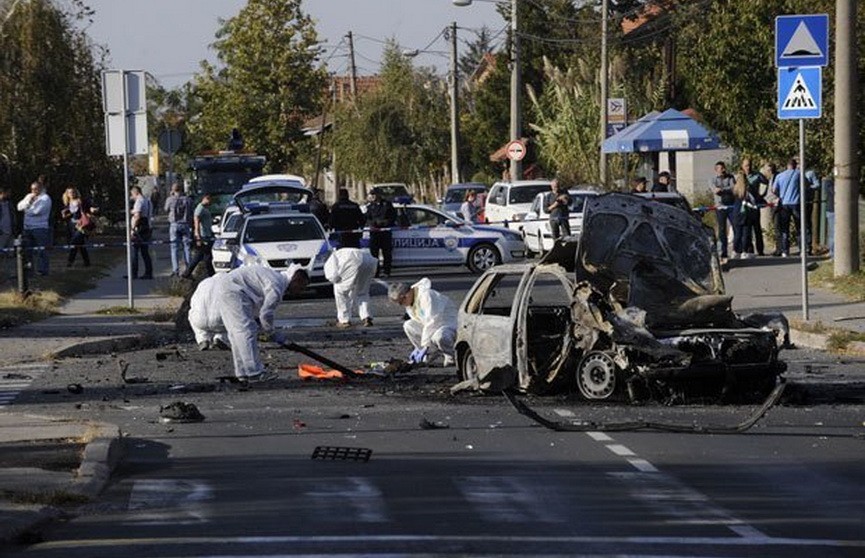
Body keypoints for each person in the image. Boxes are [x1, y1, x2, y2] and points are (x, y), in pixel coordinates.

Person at [214, 263, 309, 382]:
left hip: (226, 288)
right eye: (301, 287)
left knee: (236, 334)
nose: (301, 291)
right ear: (296, 280)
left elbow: (259, 314)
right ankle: (255, 372)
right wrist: (272, 333)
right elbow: (265, 314)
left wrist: (264, 327)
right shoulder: (277, 286)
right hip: (234, 290)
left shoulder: (276, 279)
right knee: (245, 332)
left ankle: (242, 372)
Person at [388, 279, 458, 367]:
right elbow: (421, 323)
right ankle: (430, 353)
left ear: (407, 295)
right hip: (433, 327)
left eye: (400, 302)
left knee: (440, 337)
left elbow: (432, 321)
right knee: (408, 325)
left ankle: (452, 356)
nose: (401, 305)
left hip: (447, 324)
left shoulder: (426, 296)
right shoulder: (411, 302)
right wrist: (419, 348)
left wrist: (425, 346)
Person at [324, 247, 378, 328]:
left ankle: (344, 320)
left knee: (340, 291)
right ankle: (367, 317)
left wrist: (343, 283)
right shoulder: (340, 253)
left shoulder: (331, 259)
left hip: (354, 260)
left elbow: (333, 277)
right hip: (369, 260)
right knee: (362, 292)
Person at [16, 181, 52, 276]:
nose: (33, 191)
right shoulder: (29, 196)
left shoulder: (45, 198)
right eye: (32, 189)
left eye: (35, 189)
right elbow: (19, 207)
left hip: (40, 228)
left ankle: (42, 270)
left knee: (41, 251)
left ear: (40, 188)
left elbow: (36, 212)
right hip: (27, 227)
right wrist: (29, 202)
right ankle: (29, 270)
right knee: (27, 251)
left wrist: (26, 210)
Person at [187, 274, 230, 351]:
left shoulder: (204, 282)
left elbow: (193, 302)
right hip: (221, 321)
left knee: (191, 314)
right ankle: (222, 338)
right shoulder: (231, 282)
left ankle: (202, 339)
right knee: (235, 317)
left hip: (200, 320)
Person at [772, 158, 801, 258]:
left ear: (787, 165)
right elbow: (805, 186)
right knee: (799, 227)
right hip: (796, 203)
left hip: (784, 204)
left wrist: (780, 195)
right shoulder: (799, 174)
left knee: (785, 228)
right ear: (795, 165)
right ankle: (802, 249)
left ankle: (785, 251)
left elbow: (774, 189)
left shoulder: (780, 176)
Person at [182, 193, 215, 279]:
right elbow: (196, 220)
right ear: (205, 199)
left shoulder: (204, 208)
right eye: (209, 200)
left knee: (201, 255)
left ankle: (188, 273)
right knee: (205, 256)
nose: (210, 202)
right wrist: (197, 235)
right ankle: (211, 274)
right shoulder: (200, 208)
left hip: (207, 234)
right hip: (203, 236)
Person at [164, 180, 193, 276]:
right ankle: (188, 268)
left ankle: (175, 270)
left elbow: (166, 209)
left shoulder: (170, 199)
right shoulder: (188, 200)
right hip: (185, 224)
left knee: (174, 248)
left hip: (174, 224)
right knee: (187, 247)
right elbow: (191, 211)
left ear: (173, 190)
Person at [61, 187, 95, 267]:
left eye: (73, 192)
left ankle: (70, 261)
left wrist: (92, 210)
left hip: (81, 225)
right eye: (69, 193)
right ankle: (87, 262)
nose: (72, 194)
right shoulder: (67, 203)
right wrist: (64, 214)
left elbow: (88, 209)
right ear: (67, 194)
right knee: (80, 244)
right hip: (72, 225)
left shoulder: (81, 201)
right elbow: (67, 216)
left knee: (75, 242)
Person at [366, 189, 396, 276]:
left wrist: (385, 222)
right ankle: (376, 272)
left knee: (387, 253)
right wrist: (372, 223)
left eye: (374, 194)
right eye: (372, 195)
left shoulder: (387, 204)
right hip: (374, 233)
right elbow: (367, 218)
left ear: (379, 195)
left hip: (385, 233)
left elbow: (393, 216)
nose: (373, 196)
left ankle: (387, 271)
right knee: (374, 254)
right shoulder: (370, 206)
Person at [742, 158, 768, 256]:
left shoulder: (757, 175)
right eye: (746, 165)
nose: (748, 168)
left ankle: (760, 250)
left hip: (755, 206)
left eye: (749, 165)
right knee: (747, 230)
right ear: (742, 166)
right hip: (744, 207)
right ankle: (749, 249)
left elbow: (766, 183)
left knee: (757, 228)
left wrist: (762, 195)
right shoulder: (740, 176)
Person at [712, 161, 736, 260]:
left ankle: (736, 250)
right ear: (716, 170)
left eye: (723, 168)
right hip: (720, 206)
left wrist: (722, 189)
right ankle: (724, 252)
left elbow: (734, 188)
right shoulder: (713, 180)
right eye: (720, 169)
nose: (722, 170)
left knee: (735, 227)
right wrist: (726, 189)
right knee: (722, 229)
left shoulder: (730, 178)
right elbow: (715, 190)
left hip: (731, 206)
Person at [731, 172, 757, 259]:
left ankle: (735, 251)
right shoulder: (747, 190)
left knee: (737, 233)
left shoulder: (735, 190)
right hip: (745, 213)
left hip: (736, 213)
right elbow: (752, 200)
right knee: (745, 233)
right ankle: (744, 251)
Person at [130, 185, 153, 279]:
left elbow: (138, 215)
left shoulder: (139, 201)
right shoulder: (147, 201)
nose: (132, 197)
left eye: (132, 194)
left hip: (140, 227)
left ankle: (134, 273)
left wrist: (133, 228)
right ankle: (148, 272)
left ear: (136, 193)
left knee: (135, 250)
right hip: (147, 226)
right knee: (145, 251)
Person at [0, 188, 16, 281]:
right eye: (7, 193)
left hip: (10, 232)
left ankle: (10, 274)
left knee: (11, 254)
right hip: (1, 233)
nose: (9, 194)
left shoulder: (9, 204)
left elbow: (13, 217)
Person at [823, 176, 835, 258]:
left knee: (832, 233)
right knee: (833, 233)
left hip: (830, 210)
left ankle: (832, 251)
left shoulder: (827, 185)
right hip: (832, 210)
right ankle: (832, 252)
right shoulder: (830, 185)